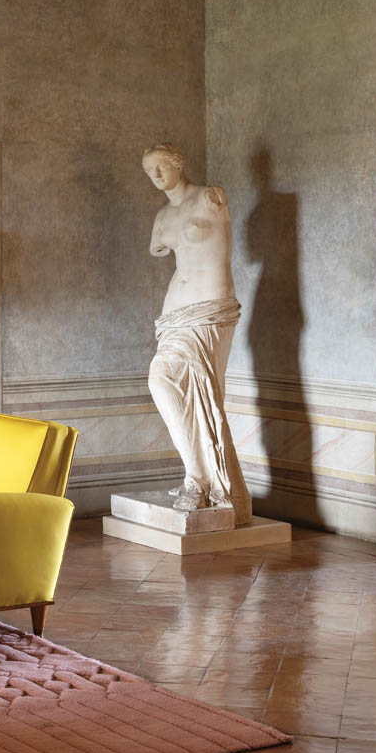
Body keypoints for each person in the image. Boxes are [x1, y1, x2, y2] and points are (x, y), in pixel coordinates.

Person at [142, 141, 251, 520]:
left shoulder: (211, 197)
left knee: (203, 394)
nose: (155, 176)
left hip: (211, 308)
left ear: (177, 162)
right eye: (149, 172)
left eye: (160, 167)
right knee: (164, 381)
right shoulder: (161, 218)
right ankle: (203, 477)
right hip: (174, 314)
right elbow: (162, 250)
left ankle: (199, 480)